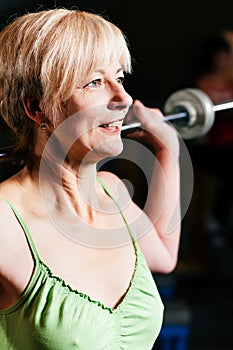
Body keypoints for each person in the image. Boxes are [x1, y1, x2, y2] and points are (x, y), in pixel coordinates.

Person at [0, 8, 181, 349]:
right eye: (95, 82)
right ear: (37, 108)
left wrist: (167, 148)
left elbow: (163, 256)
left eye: (120, 78)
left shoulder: (111, 192)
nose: (123, 98)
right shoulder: (5, 223)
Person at [194, 31, 233, 249]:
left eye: (226, 55)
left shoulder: (231, 80)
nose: (223, 60)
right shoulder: (204, 84)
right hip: (213, 149)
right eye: (220, 55)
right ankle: (216, 221)